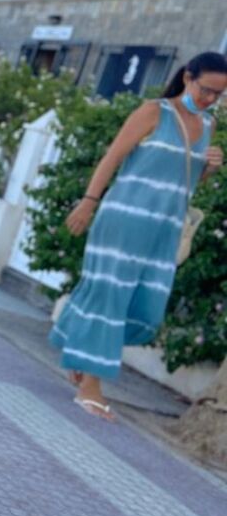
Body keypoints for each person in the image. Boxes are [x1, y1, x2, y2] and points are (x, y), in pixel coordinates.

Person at [50, 51, 225, 420]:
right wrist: (88, 202)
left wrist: (209, 168)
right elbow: (112, 158)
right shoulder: (154, 112)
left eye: (218, 94)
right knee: (111, 299)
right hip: (123, 221)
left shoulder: (207, 125)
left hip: (164, 230)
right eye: (206, 90)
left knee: (146, 307)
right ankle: (90, 386)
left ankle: (78, 346)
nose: (210, 99)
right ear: (188, 77)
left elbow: (184, 183)